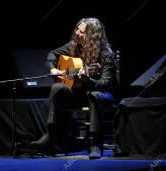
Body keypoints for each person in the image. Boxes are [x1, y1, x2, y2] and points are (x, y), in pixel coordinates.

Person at [30, 17, 116, 159]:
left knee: (94, 94)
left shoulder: (106, 55)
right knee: (57, 87)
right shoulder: (74, 46)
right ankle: (51, 136)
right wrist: (53, 70)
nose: (76, 33)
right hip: (77, 95)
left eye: (81, 32)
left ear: (92, 35)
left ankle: (96, 144)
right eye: (77, 29)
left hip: (100, 96)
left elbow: (106, 83)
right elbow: (51, 55)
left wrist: (88, 80)